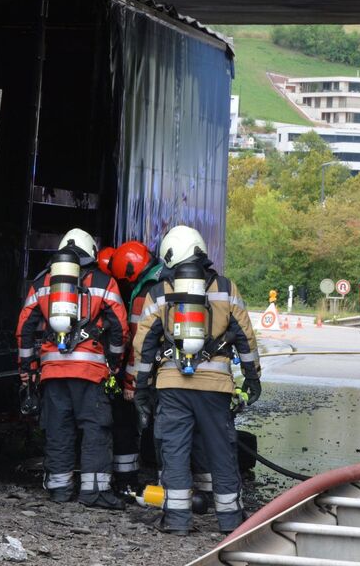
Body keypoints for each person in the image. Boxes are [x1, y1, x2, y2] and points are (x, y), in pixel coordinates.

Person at [131, 225, 261, 535]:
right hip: (216, 387)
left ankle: (177, 520)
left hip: (172, 386)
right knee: (222, 450)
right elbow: (245, 336)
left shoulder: (158, 292)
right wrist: (252, 377)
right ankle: (230, 520)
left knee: (174, 450)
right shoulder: (226, 289)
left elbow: (144, 344)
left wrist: (141, 387)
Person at [17, 228, 129, 508]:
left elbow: (25, 329)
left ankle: (59, 488)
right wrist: (114, 364)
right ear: (91, 252)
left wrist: (28, 370)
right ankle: (94, 492)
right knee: (95, 429)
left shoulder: (42, 283)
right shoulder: (104, 282)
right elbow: (119, 327)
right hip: (91, 372)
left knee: (58, 428)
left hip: (52, 372)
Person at [97, 240, 161, 494]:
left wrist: (130, 383)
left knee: (125, 419)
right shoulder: (164, 281)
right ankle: (169, 484)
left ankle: (127, 481)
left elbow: (137, 342)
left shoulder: (143, 293)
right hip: (167, 370)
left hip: (142, 371)